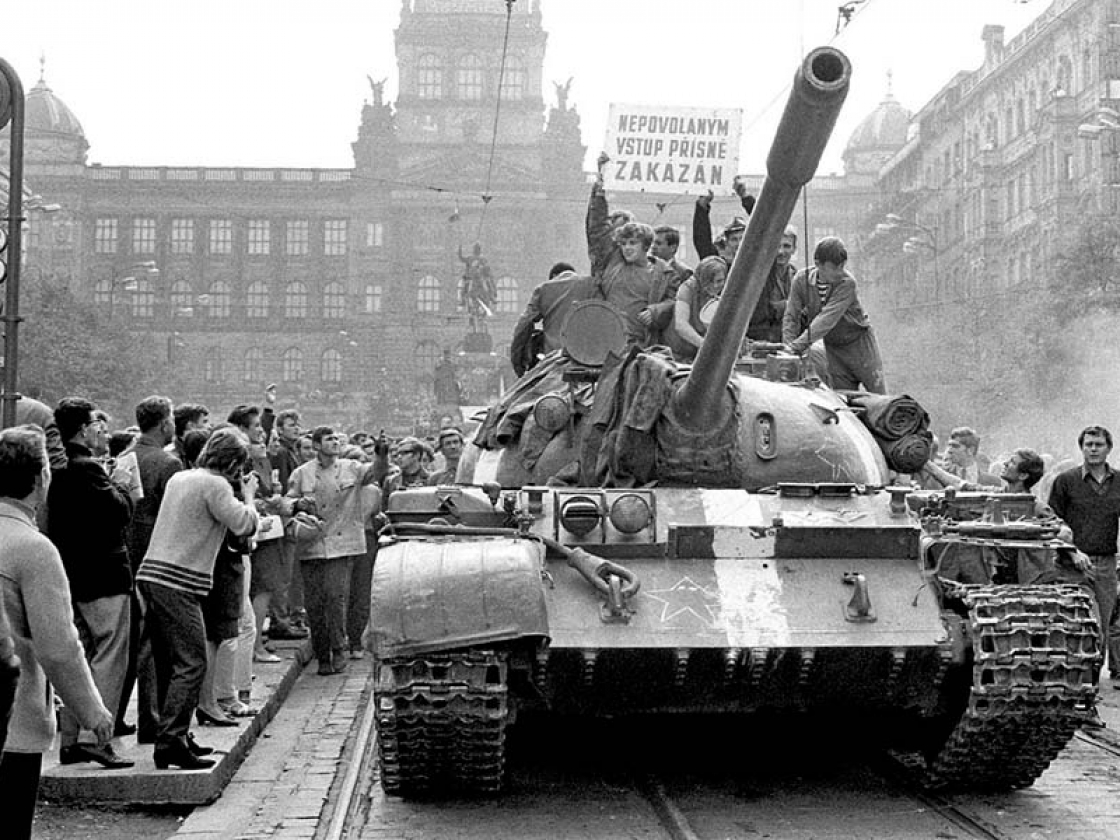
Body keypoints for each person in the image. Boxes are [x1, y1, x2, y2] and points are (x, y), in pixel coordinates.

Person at [0, 426, 115, 839]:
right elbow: (58, 646)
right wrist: (92, 711)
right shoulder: (34, 549)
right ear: (41, 478)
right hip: (13, 720)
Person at [136, 428, 259, 769]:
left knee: (167, 662)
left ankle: (174, 733)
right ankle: (171, 741)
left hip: (151, 574)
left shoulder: (183, 477)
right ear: (234, 462)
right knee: (192, 662)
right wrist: (249, 495)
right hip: (179, 580)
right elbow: (243, 524)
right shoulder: (217, 485)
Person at [47, 397, 135, 769]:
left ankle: (71, 738)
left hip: (74, 574)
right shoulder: (88, 470)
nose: (104, 432)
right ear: (83, 430)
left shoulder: (61, 468)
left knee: (78, 657)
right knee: (110, 655)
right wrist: (121, 484)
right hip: (103, 575)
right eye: (98, 425)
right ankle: (95, 735)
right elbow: (119, 512)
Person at [286, 426, 387, 675]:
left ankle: (338, 648)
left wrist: (382, 453)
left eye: (336, 439)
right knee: (314, 603)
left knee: (334, 596)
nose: (334, 443)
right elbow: (286, 501)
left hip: (341, 544)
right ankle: (322, 653)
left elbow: (376, 473)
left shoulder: (351, 468)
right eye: (328, 439)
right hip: (312, 542)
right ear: (317, 445)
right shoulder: (302, 474)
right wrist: (298, 504)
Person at [120, 395, 183, 743]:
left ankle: (130, 718)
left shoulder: (125, 457)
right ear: (164, 424)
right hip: (157, 561)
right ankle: (155, 720)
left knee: (134, 643)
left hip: (127, 558)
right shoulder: (167, 464)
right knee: (158, 645)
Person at [1048, 426, 1120, 691]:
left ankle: (1089, 691)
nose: (1093, 448)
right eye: (1088, 444)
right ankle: (1078, 690)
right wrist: (1071, 551)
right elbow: (1051, 522)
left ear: (1108, 448)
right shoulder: (1065, 481)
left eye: (1098, 444)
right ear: (1081, 447)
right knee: (1083, 628)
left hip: (1107, 564)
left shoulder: (1119, 481)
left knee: (1100, 633)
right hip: (1071, 566)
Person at [782, 236, 886, 393]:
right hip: (834, 348)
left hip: (860, 345)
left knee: (878, 396)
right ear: (818, 264)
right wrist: (788, 349)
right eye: (834, 268)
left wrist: (796, 347)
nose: (840, 272)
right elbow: (791, 317)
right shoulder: (801, 280)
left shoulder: (847, 283)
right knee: (844, 398)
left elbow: (825, 320)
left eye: (842, 267)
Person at [509, 261, 600, 376]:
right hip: (588, 363)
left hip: (554, 362)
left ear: (553, 276)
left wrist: (518, 366)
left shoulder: (543, 289)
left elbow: (523, 325)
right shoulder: (590, 285)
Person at [673, 256, 730, 362]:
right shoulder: (687, 288)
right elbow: (681, 325)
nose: (715, 285)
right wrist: (706, 346)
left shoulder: (725, 290)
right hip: (681, 352)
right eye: (709, 281)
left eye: (719, 281)